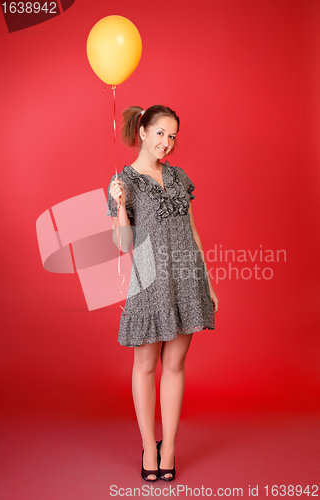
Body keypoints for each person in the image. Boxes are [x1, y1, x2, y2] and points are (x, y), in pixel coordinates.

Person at [106, 105, 219, 482]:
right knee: (147, 366)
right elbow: (123, 244)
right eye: (160, 133)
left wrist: (207, 280)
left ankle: (168, 446)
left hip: (186, 279)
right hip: (150, 282)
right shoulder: (126, 181)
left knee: (174, 365)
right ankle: (147, 444)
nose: (166, 143)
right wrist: (121, 206)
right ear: (142, 131)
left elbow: (193, 231)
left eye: (172, 136)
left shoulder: (179, 176)